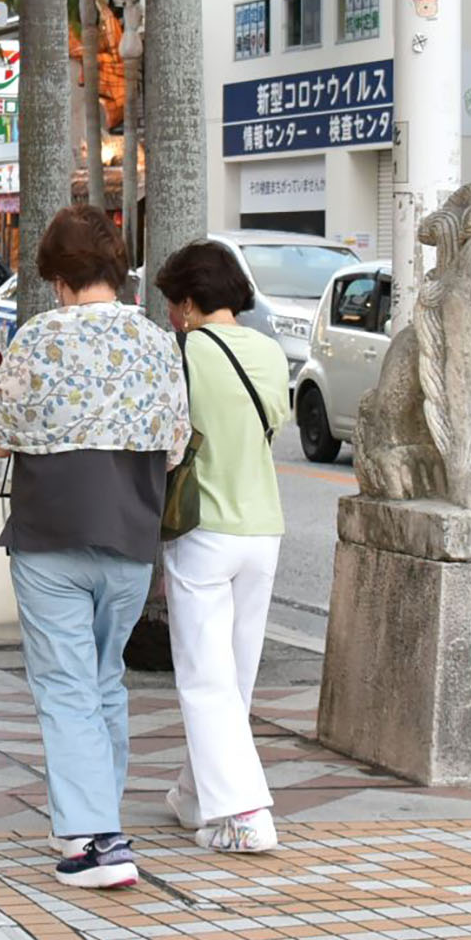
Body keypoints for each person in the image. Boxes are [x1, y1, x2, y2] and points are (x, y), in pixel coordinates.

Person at [0, 206, 189, 890]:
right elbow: (178, 440)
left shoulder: (40, 338)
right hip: (131, 534)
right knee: (104, 680)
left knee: (65, 685)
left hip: (50, 532)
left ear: (58, 277)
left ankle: (94, 838)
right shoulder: (158, 342)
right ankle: (96, 818)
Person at [155, 240, 291, 854]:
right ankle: (193, 796)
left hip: (203, 527)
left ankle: (243, 815)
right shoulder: (268, 351)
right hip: (263, 529)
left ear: (187, 303)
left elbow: (166, 438)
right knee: (234, 677)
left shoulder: (182, 352)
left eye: (171, 305)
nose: (168, 317)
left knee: (205, 678)